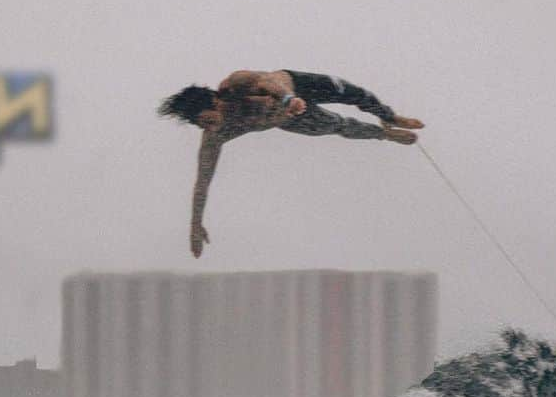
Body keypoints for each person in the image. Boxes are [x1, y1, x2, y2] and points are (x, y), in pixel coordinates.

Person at [158, 69, 423, 257]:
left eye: (208, 119)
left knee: (354, 94)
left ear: (215, 101)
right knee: (337, 126)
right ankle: (385, 134)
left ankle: (391, 117)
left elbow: (269, 82)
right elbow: (202, 183)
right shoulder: (215, 137)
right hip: (288, 119)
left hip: (295, 88)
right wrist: (195, 224)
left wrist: (288, 98)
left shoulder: (235, 86)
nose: (211, 128)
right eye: (203, 126)